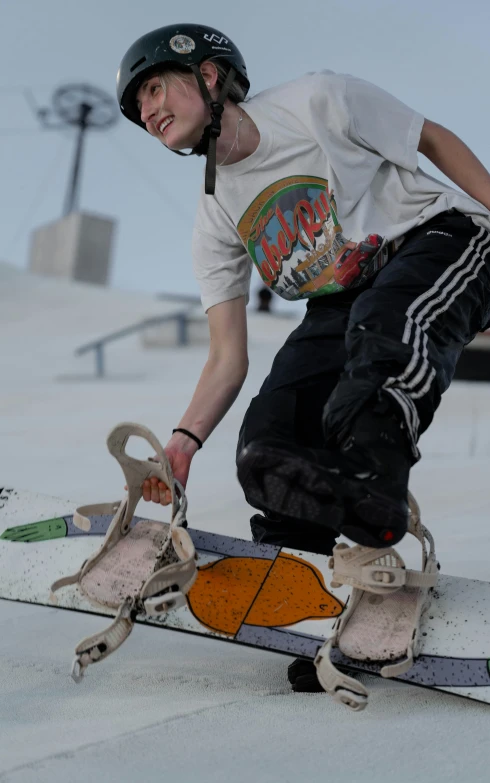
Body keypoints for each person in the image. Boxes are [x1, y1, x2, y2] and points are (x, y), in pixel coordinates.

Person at [116, 23, 490, 689]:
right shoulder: (215, 219)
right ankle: (321, 607)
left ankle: (376, 498)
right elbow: (228, 355)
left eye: (153, 88)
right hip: (345, 296)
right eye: (137, 107)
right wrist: (182, 443)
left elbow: (430, 138)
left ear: (207, 77)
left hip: (442, 239)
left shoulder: (319, 100)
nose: (146, 111)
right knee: (272, 435)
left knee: (381, 337)